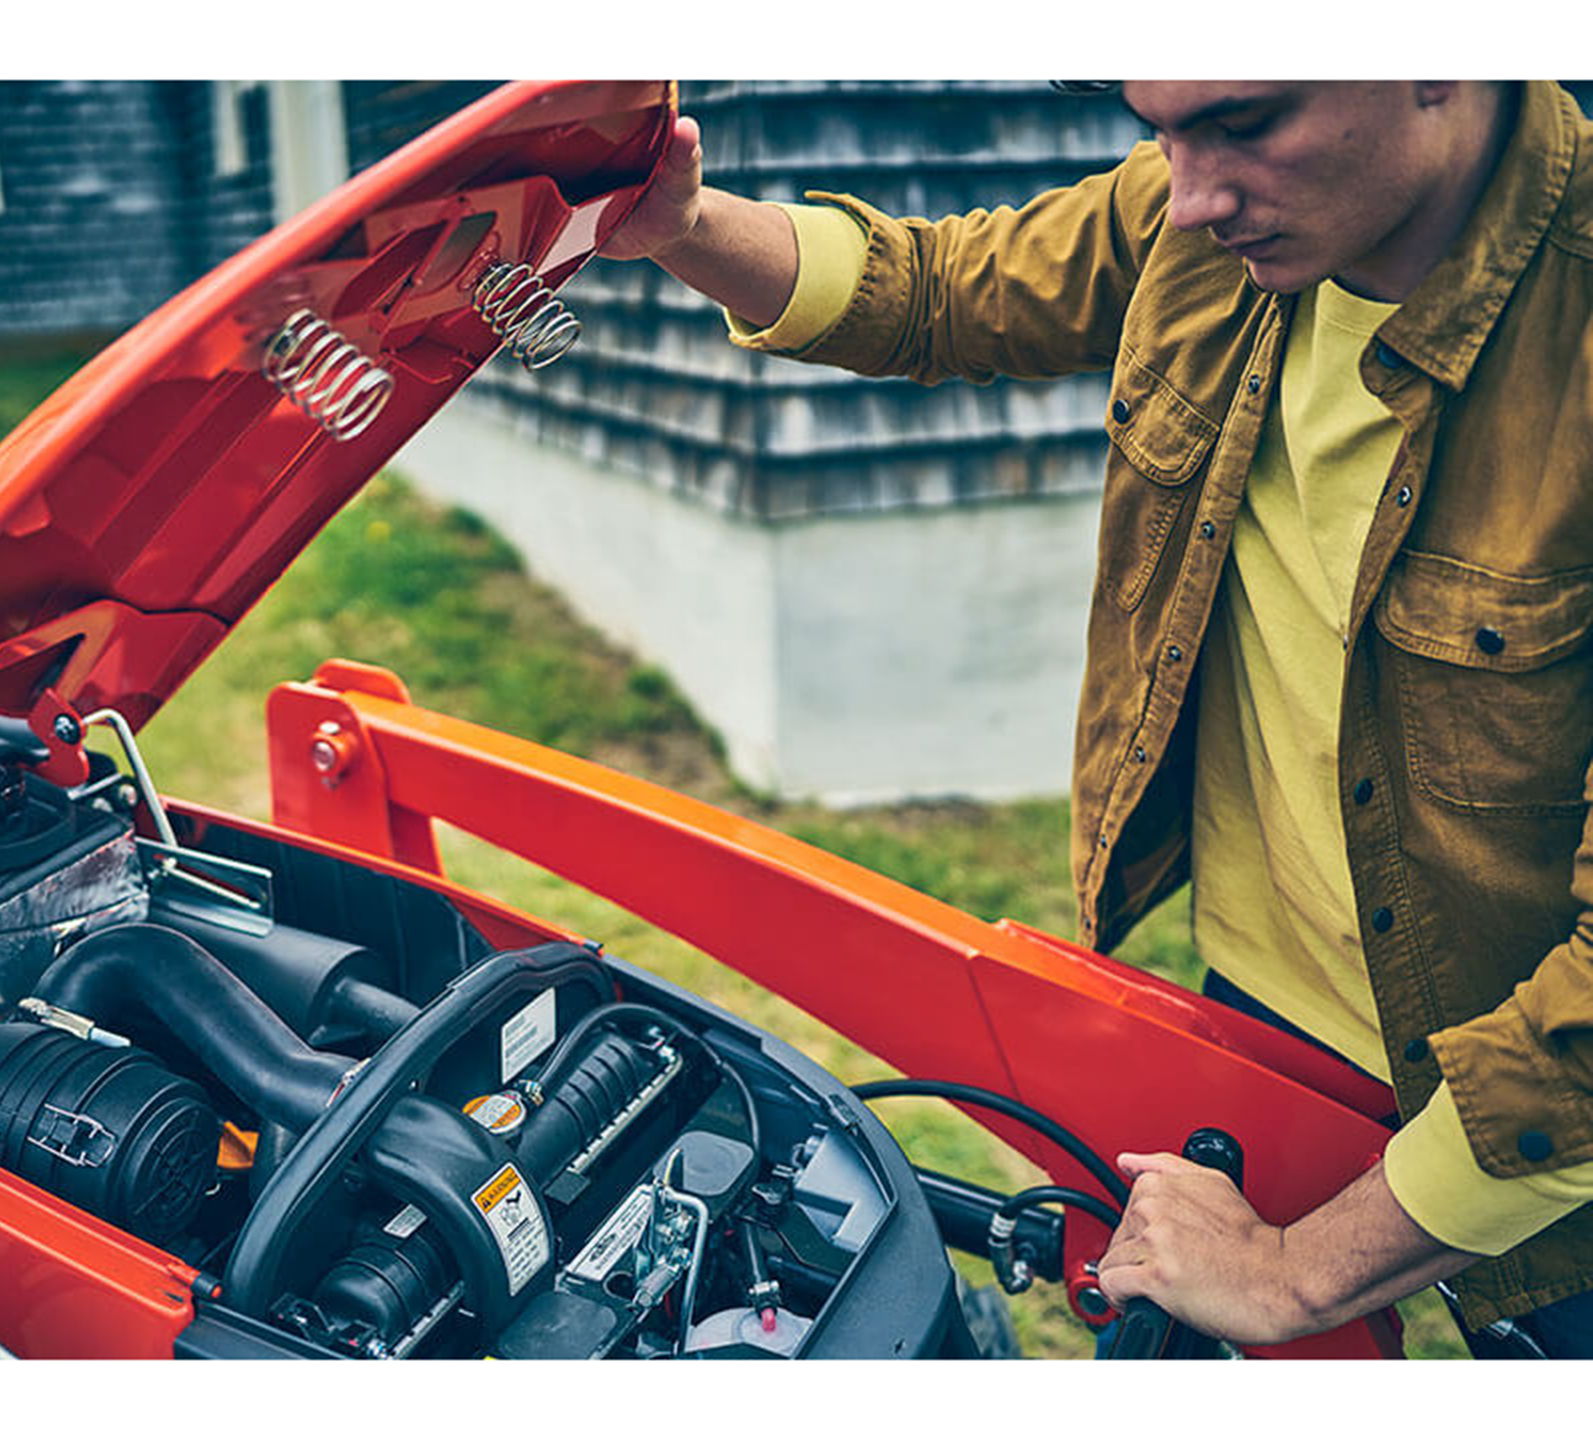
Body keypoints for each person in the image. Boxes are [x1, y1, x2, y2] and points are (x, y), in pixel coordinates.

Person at [600, 81, 1593, 1357]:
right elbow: (944, 288)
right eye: (1159, 127)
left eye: (1242, 123)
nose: (1189, 195)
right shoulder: (1206, 214)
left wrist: (1294, 1274)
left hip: (1544, 1108)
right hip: (1275, 1015)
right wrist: (684, 224)